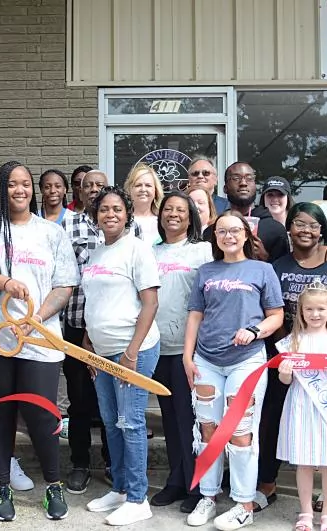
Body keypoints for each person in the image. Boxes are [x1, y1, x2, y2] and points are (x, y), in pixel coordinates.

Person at [0, 161, 78, 522]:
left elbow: (64, 284)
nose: (20, 190)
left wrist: (34, 319)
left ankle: (53, 485)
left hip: (39, 339)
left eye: (25, 184)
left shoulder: (50, 232)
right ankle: (2, 487)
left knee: (41, 414)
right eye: (11, 184)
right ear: (0, 190)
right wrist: (5, 282)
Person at [183, 210, 284, 530]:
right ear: (215, 237)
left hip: (246, 361)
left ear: (246, 235)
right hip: (206, 360)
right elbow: (195, 315)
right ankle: (208, 496)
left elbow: (276, 316)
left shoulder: (263, 269)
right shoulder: (206, 271)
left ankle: (243, 504)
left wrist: (254, 331)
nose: (229, 236)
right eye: (222, 231)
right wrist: (187, 357)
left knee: (240, 432)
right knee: (207, 429)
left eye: (235, 230)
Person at [257, 202, 327, 514]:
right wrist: (281, 349)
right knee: (273, 416)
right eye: (299, 223)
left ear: (321, 229)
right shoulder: (278, 265)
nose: (306, 230)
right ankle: (267, 481)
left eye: (313, 225)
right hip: (288, 354)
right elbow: (269, 308)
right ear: (288, 227)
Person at [81, 186, 161, 526]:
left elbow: (151, 303)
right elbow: (95, 302)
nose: (110, 214)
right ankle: (121, 488)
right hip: (101, 352)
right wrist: (87, 344)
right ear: (95, 216)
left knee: (131, 423)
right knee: (111, 423)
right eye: (104, 209)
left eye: (117, 209)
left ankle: (139, 499)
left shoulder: (137, 249)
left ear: (127, 214)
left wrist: (131, 352)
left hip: (132, 350)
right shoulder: (97, 253)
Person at [61, 169, 136, 495]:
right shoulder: (68, 225)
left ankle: (111, 461)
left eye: (99, 185)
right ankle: (80, 463)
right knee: (79, 402)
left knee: (113, 403)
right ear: (79, 191)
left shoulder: (128, 229)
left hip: (114, 328)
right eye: (87, 185)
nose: (93, 189)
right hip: (78, 325)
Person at [150, 191, 213, 513]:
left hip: (189, 349)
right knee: (170, 419)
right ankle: (176, 480)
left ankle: (197, 486)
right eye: (168, 209)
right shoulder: (150, 251)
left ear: (191, 218)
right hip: (157, 346)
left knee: (191, 420)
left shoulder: (202, 250)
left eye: (181, 210)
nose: (173, 214)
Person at [276, 282, 327, 531]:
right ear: (301, 311)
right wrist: (284, 372)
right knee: (304, 461)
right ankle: (306, 512)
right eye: (309, 309)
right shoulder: (292, 342)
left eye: (321, 309)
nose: (315, 314)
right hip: (301, 404)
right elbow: (285, 381)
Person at [212, 162, 289, 263]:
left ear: (255, 187)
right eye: (236, 178)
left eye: (249, 178)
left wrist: (265, 258)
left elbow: (284, 269)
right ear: (225, 188)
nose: (243, 183)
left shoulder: (276, 230)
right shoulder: (216, 228)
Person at [124, 163, 164, 243]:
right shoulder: (122, 221)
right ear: (129, 190)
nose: (143, 189)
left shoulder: (164, 221)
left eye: (148, 185)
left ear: (156, 190)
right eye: (138, 185)